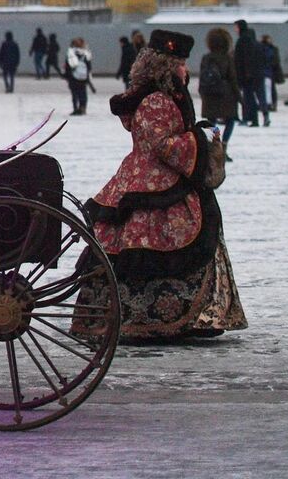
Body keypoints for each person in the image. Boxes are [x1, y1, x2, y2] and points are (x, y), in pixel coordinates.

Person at [77, 29, 246, 341]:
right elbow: (161, 144)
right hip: (154, 181)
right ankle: (148, 319)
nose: (186, 68)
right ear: (166, 66)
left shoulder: (164, 95)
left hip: (155, 178)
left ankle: (184, 316)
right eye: (181, 62)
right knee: (157, 242)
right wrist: (200, 139)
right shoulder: (156, 99)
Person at [197, 28, 240, 145]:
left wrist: (202, 92)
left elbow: (202, 77)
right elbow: (232, 78)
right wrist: (239, 97)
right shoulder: (227, 58)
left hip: (210, 93)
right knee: (230, 120)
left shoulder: (206, 58)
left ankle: (214, 142)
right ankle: (224, 143)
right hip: (226, 94)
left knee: (212, 121)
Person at [233, 20, 263, 127]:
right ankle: (249, 118)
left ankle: (251, 119)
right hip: (247, 74)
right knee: (248, 97)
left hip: (245, 75)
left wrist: (246, 73)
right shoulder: (247, 38)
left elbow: (245, 58)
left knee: (248, 97)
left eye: (236, 27)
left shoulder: (244, 40)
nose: (235, 29)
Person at [64, 37, 95, 116]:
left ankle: (75, 108)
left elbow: (68, 66)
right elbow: (89, 66)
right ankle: (83, 108)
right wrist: (88, 75)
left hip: (73, 76)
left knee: (74, 93)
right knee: (83, 93)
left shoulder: (71, 53)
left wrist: (67, 76)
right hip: (83, 77)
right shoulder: (86, 53)